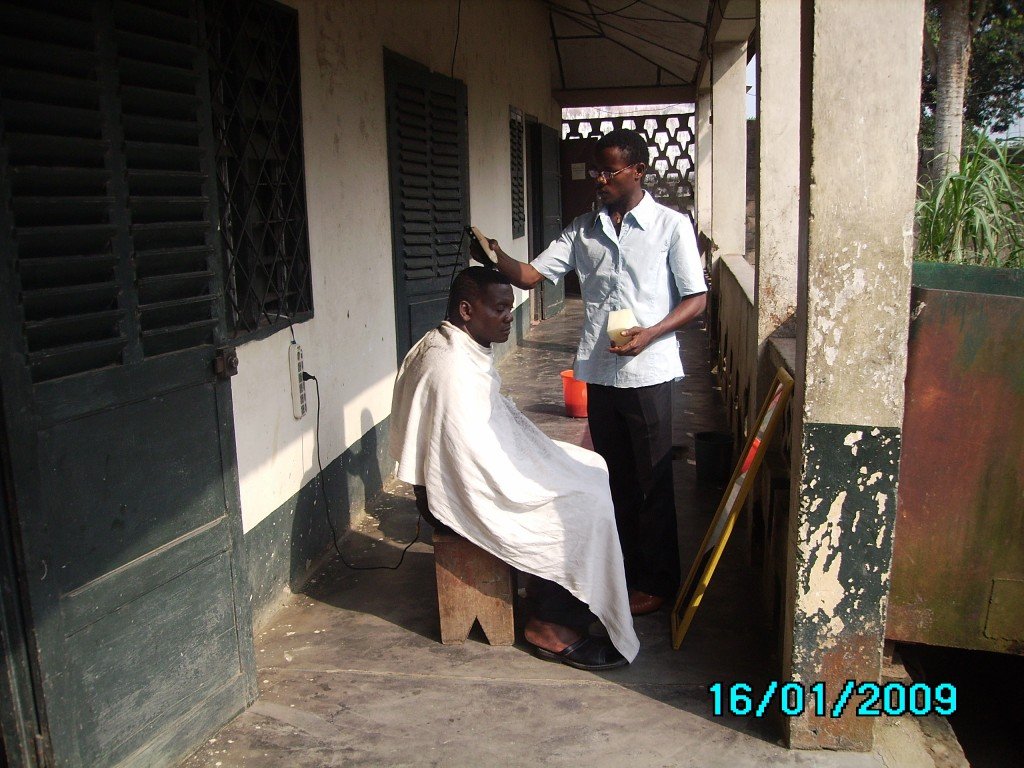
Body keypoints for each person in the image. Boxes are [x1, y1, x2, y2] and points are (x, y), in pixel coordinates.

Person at [472, 128, 707, 616]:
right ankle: (625, 570)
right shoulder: (583, 229)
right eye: (595, 169)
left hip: (649, 373)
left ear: (638, 171)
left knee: (653, 482)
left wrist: (652, 332)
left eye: (609, 170)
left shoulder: (670, 226)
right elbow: (532, 276)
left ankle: (659, 583)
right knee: (615, 478)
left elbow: (697, 298)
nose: (597, 178)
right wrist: (494, 252)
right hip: (600, 374)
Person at [389, 267, 639, 671]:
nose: (509, 316)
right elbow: (467, 465)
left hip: (464, 474)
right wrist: (531, 478)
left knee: (590, 467)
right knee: (578, 504)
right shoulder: (450, 367)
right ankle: (550, 625)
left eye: (511, 307)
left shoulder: (453, 342)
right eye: (501, 308)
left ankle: (556, 592)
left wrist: (533, 459)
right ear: (467, 310)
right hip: (450, 497)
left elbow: (479, 438)